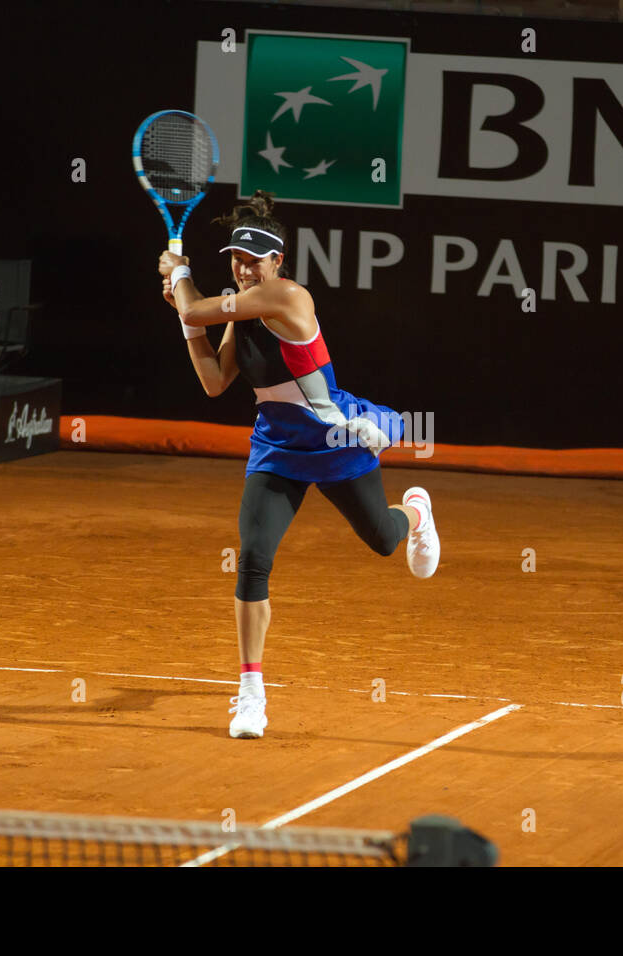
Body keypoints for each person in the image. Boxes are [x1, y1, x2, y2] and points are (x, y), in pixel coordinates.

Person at [157, 190, 439, 740]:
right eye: (236, 259)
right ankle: (251, 694)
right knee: (253, 560)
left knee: (383, 539)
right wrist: (187, 322)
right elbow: (214, 382)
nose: (242, 269)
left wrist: (180, 273)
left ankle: (416, 513)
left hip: (337, 440)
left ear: (277, 263)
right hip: (277, 452)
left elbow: (195, 304)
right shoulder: (244, 308)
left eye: (253, 260)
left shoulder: (287, 297)